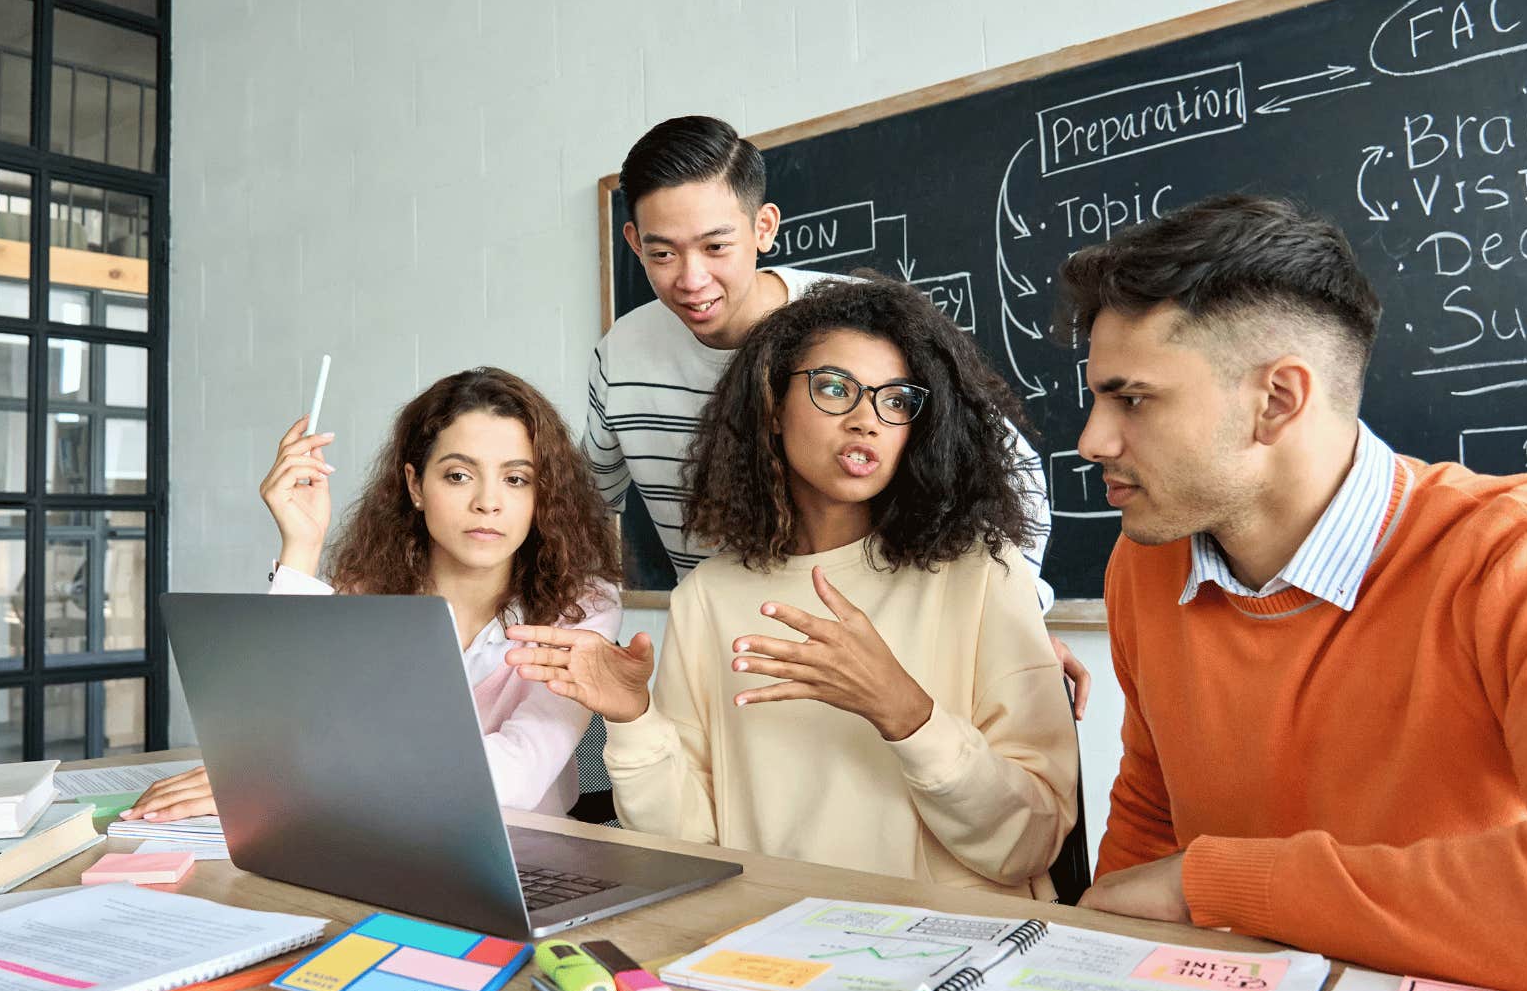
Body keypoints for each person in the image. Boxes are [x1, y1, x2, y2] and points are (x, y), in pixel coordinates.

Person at [1067, 194, 1527, 991]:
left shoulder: (1514, 557)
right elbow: (1152, 816)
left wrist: (1216, 884)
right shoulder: (1146, 563)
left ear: (1278, 400)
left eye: (1132, 398)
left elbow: (1184, 875)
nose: (1091, 440)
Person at [508, 277, 1079, 896]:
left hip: (948, 957)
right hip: (767, 947)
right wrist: (633, 717)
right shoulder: (709, 596)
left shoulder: (983, 574)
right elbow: (686, 844)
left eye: (895, 400)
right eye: (835, 388)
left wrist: (905, 711)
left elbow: (1030, 844)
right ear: (773, 407)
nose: (867, 421)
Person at [586, 115, 1092, 714]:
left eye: (716, 246)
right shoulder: (620, 356)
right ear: (633, 242)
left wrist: (1012, 621)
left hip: (886, 656)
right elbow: (588, 508)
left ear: (763, 227)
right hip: (727, 656)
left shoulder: (856, 328)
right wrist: (589, 629)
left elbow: (1016, 475)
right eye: (662, 253)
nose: (692, 279)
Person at [127, 368, 622, 820]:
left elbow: (517, 776)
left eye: (516, 479)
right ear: (415, 485)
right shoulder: (366, 591)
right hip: (367, 833)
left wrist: (295, 774)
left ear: (542, 495)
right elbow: (274, 728)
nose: (488, 502)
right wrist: (301, 544)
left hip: (528, 861)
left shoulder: (583, 606)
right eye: (458, 475)